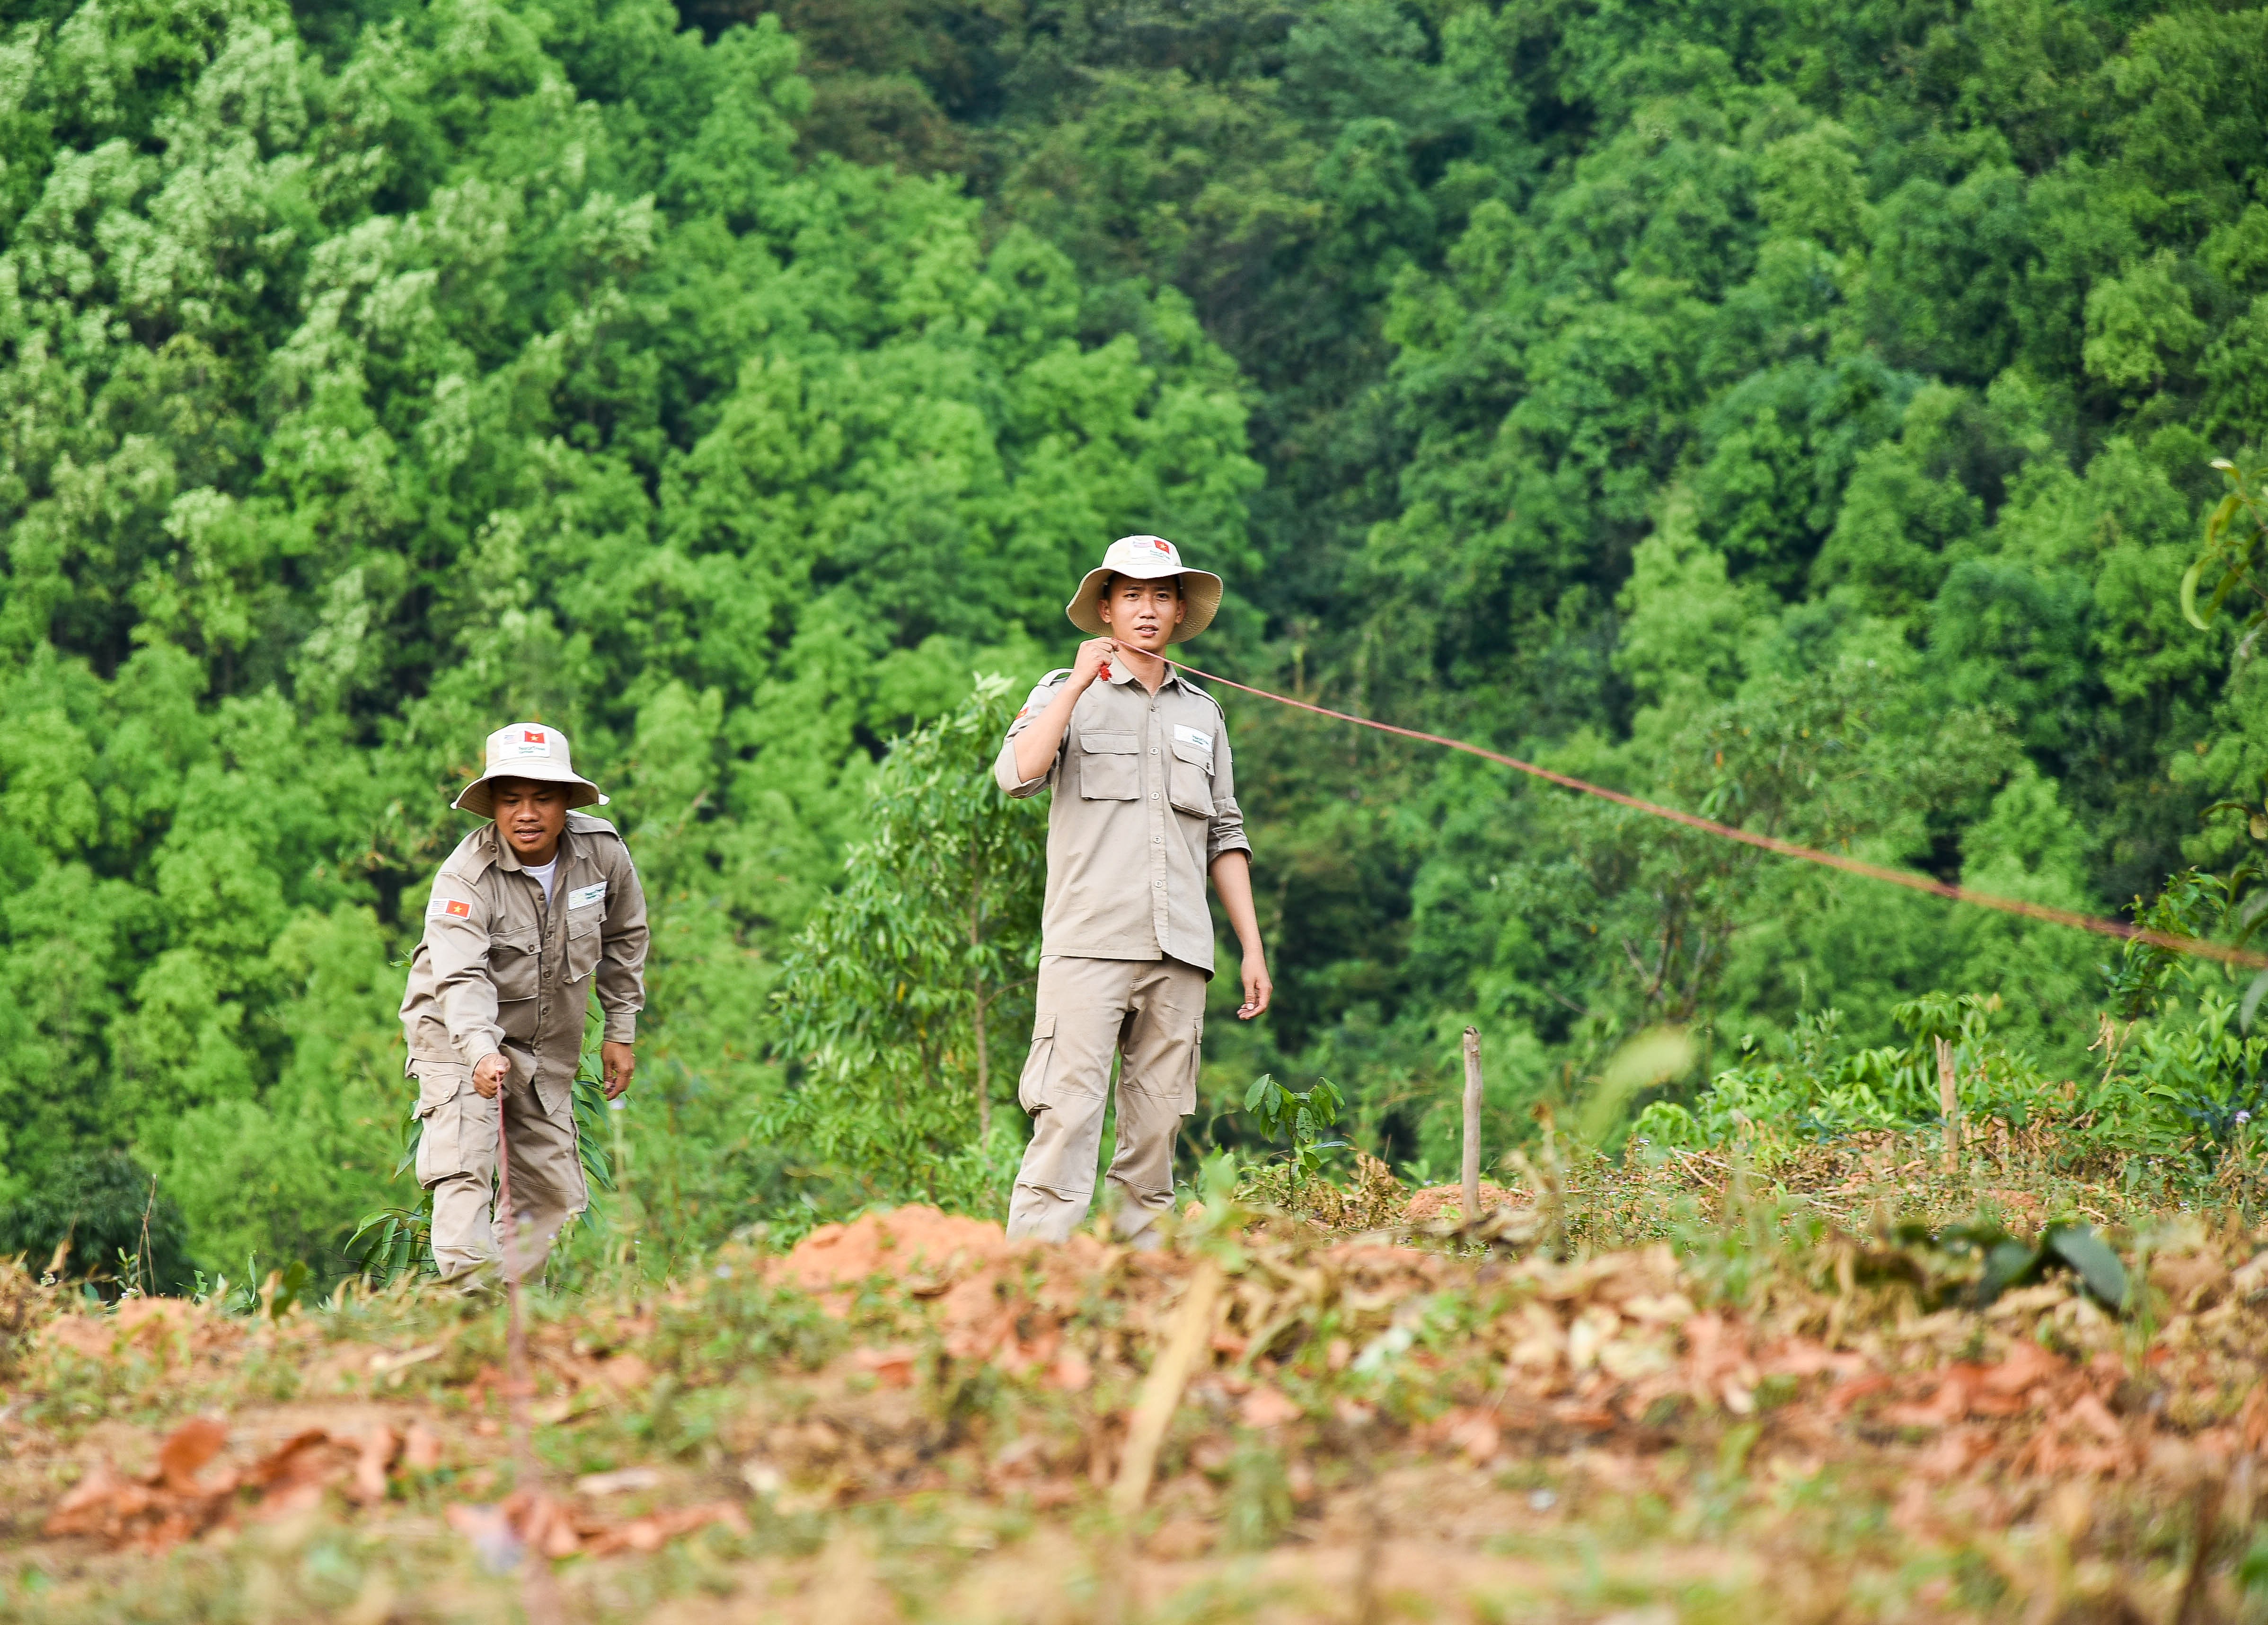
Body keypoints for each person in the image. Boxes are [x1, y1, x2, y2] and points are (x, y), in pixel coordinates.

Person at [994, 534, 1272, 1246]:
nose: (1146, 609)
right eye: (1130, 596)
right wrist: (1076, 688)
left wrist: (1251, 947)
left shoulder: (1203, 714)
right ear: (1106, 611)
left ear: (1179, 610)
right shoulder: (1062, 691)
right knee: (1066, 1122)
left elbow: (1225, 834)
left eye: (1160, 595)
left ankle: (1137, 1298)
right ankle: (1033, 1287)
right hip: (1087, 947)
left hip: (1180, 953)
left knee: (1155, 1143)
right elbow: (1017, 774)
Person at [398, 723, 648, 1281]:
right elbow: (459, 978)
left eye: (542, 798)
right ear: (493, 807)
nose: (527, 814)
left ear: (567, 801)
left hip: (545, 1045)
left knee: (550, 1195)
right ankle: (472, 1305)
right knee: (464, 1171)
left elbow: (626, 936)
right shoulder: (466, 878)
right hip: (457, 1039)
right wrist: (481, 1052)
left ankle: (517, 1311)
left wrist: (620, 1029)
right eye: (511, 800)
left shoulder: (601, 853)